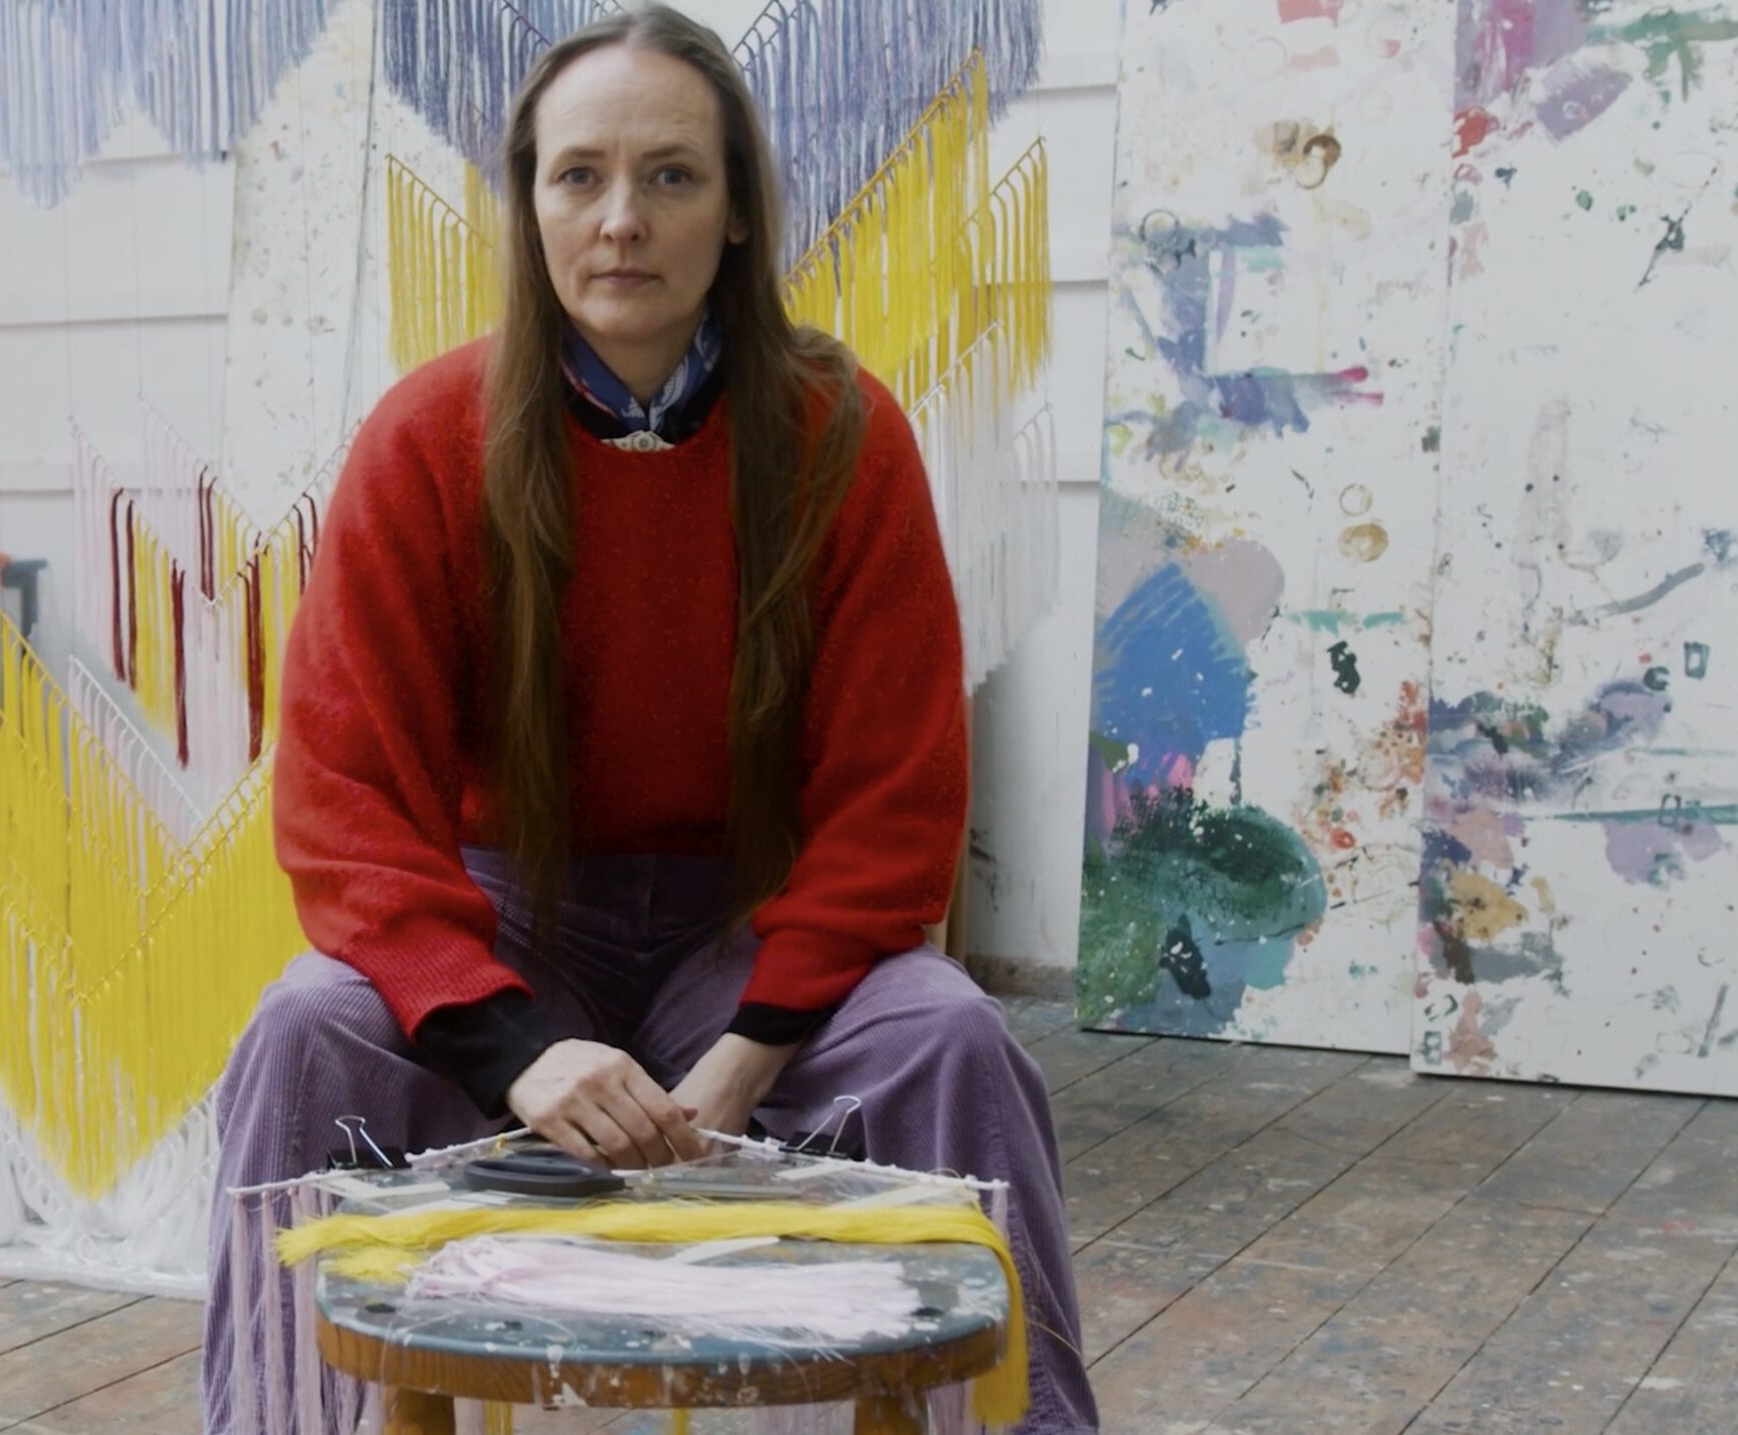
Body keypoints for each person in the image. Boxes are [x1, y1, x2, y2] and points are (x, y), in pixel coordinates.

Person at [205, 6, 1097, 1430]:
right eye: (580, 177)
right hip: (507, 925)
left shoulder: (843, 436)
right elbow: (346, 804)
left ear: (739, 210)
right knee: (302, 1027)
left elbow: (896, 799)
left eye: (674, 176)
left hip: (742, 928)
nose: (623, 220)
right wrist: (513, 1048)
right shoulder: (428, 438)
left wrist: (748, 1056)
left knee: (955, 1039)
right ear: (531, 204)